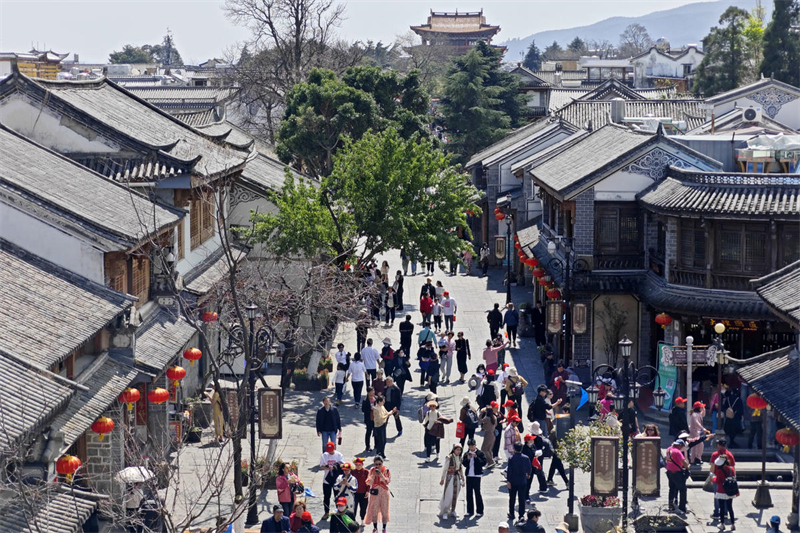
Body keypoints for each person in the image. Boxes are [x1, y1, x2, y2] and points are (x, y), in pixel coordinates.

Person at [438, 443, 465, 520]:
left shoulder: (460, 458)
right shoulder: (449, 458)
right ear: (454, 450)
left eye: (460, 450)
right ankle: (445, 511)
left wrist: (463, 479)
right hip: (450, 478)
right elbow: (445, 469)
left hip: (457, 477)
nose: (458, 451)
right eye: (457, 450)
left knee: (455, 495)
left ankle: (453, 510)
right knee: (448, 494)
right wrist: (442, 479)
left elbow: (460, 469)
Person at [710, 439, 736, 519]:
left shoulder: (715, 454)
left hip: (718, 477)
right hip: (728, 478)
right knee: (727, 495)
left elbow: (712, 467)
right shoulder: (730, 455)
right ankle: (725, 512)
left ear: (718, 445)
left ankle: (716, 512)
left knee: (717, 495)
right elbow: (733, 467)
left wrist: (711, 476)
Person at [364, 456, 391, 533]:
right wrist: (373, 476)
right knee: (374, 510)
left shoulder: (386, 470)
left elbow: (387, 481)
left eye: (379, 464)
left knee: (384, 510)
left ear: (382, 463)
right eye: (376, 464)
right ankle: (375, 528)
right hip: (375, 492)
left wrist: (381, 475)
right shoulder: (372, 470)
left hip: (384, 492)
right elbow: (368, 482)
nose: (378, 466)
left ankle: (384, 528)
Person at [507, 442, 532, 522]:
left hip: (513, 481)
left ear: (514, 449)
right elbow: (529, 468)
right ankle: (521, 515)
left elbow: (509, 471)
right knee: (521, 499)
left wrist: (508, 481)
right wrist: (528, 474)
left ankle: (511, 513)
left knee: (512, 498)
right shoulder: (526, 458)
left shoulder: (511, 458)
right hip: (522, 481)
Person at [320, 441, 344, 519]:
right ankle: (326, 512)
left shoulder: (339, 455)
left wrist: (335, 467)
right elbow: (321, 466)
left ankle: (338, 511)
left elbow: (342, 465)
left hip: (336, 479)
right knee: (326, 496)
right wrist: (327, 467)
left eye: (331, 449)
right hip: (327, 479)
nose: (330, 451)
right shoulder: (324, 455)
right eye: (328, 450)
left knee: (337, 496)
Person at [462, 439, 486, 516]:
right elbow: (464, 463)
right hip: (469, 475)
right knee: (469, 493)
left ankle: (480, 511)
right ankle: (470, 511)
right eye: (470, 446)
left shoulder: (480, 453)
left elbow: (483, 463)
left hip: (477, 475)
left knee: (477, 492)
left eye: (473, 446)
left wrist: (476, 458)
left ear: (475, 445)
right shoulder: (466, 454)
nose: (471, 448)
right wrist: (468, 459)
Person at [713, 454, 737, 530]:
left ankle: (722, 524)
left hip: (721, 491)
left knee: (722, 508)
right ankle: (733, 524)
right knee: (730, 507)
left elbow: (718, 481)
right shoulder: (731, 469)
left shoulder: (720, 471)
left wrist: (713, 478)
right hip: (730, 490)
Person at [665, 439, 689, 514]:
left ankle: (671, 505)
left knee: (672, 489)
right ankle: (682, 507)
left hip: (669, 472)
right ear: (680, 445)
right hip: (677, 472)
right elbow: (684, 462)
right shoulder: (677, 452)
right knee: (682, 489)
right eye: (681, 446)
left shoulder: (669, 449)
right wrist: (687, 468)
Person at [480, 401, 499, 467]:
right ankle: (490, 461)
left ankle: (490, 461)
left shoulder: (487, 418)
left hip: (488, 434)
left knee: (484, 449)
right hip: (493, 434)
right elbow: (495, 424)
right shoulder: (494, 417)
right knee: (489, 449)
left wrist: (481, 412)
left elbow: (480, 420)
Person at [361, 387, 377, 452]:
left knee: (376, 432)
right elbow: (363, 410)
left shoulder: (375, 399)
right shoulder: (365, 400)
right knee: (368, 432)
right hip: (369, 418)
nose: (373, 392)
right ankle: (367, 446)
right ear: (368, 392)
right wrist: (370, 409)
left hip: (375, 418)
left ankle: (376, 445)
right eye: (372, 391)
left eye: (373, 391)